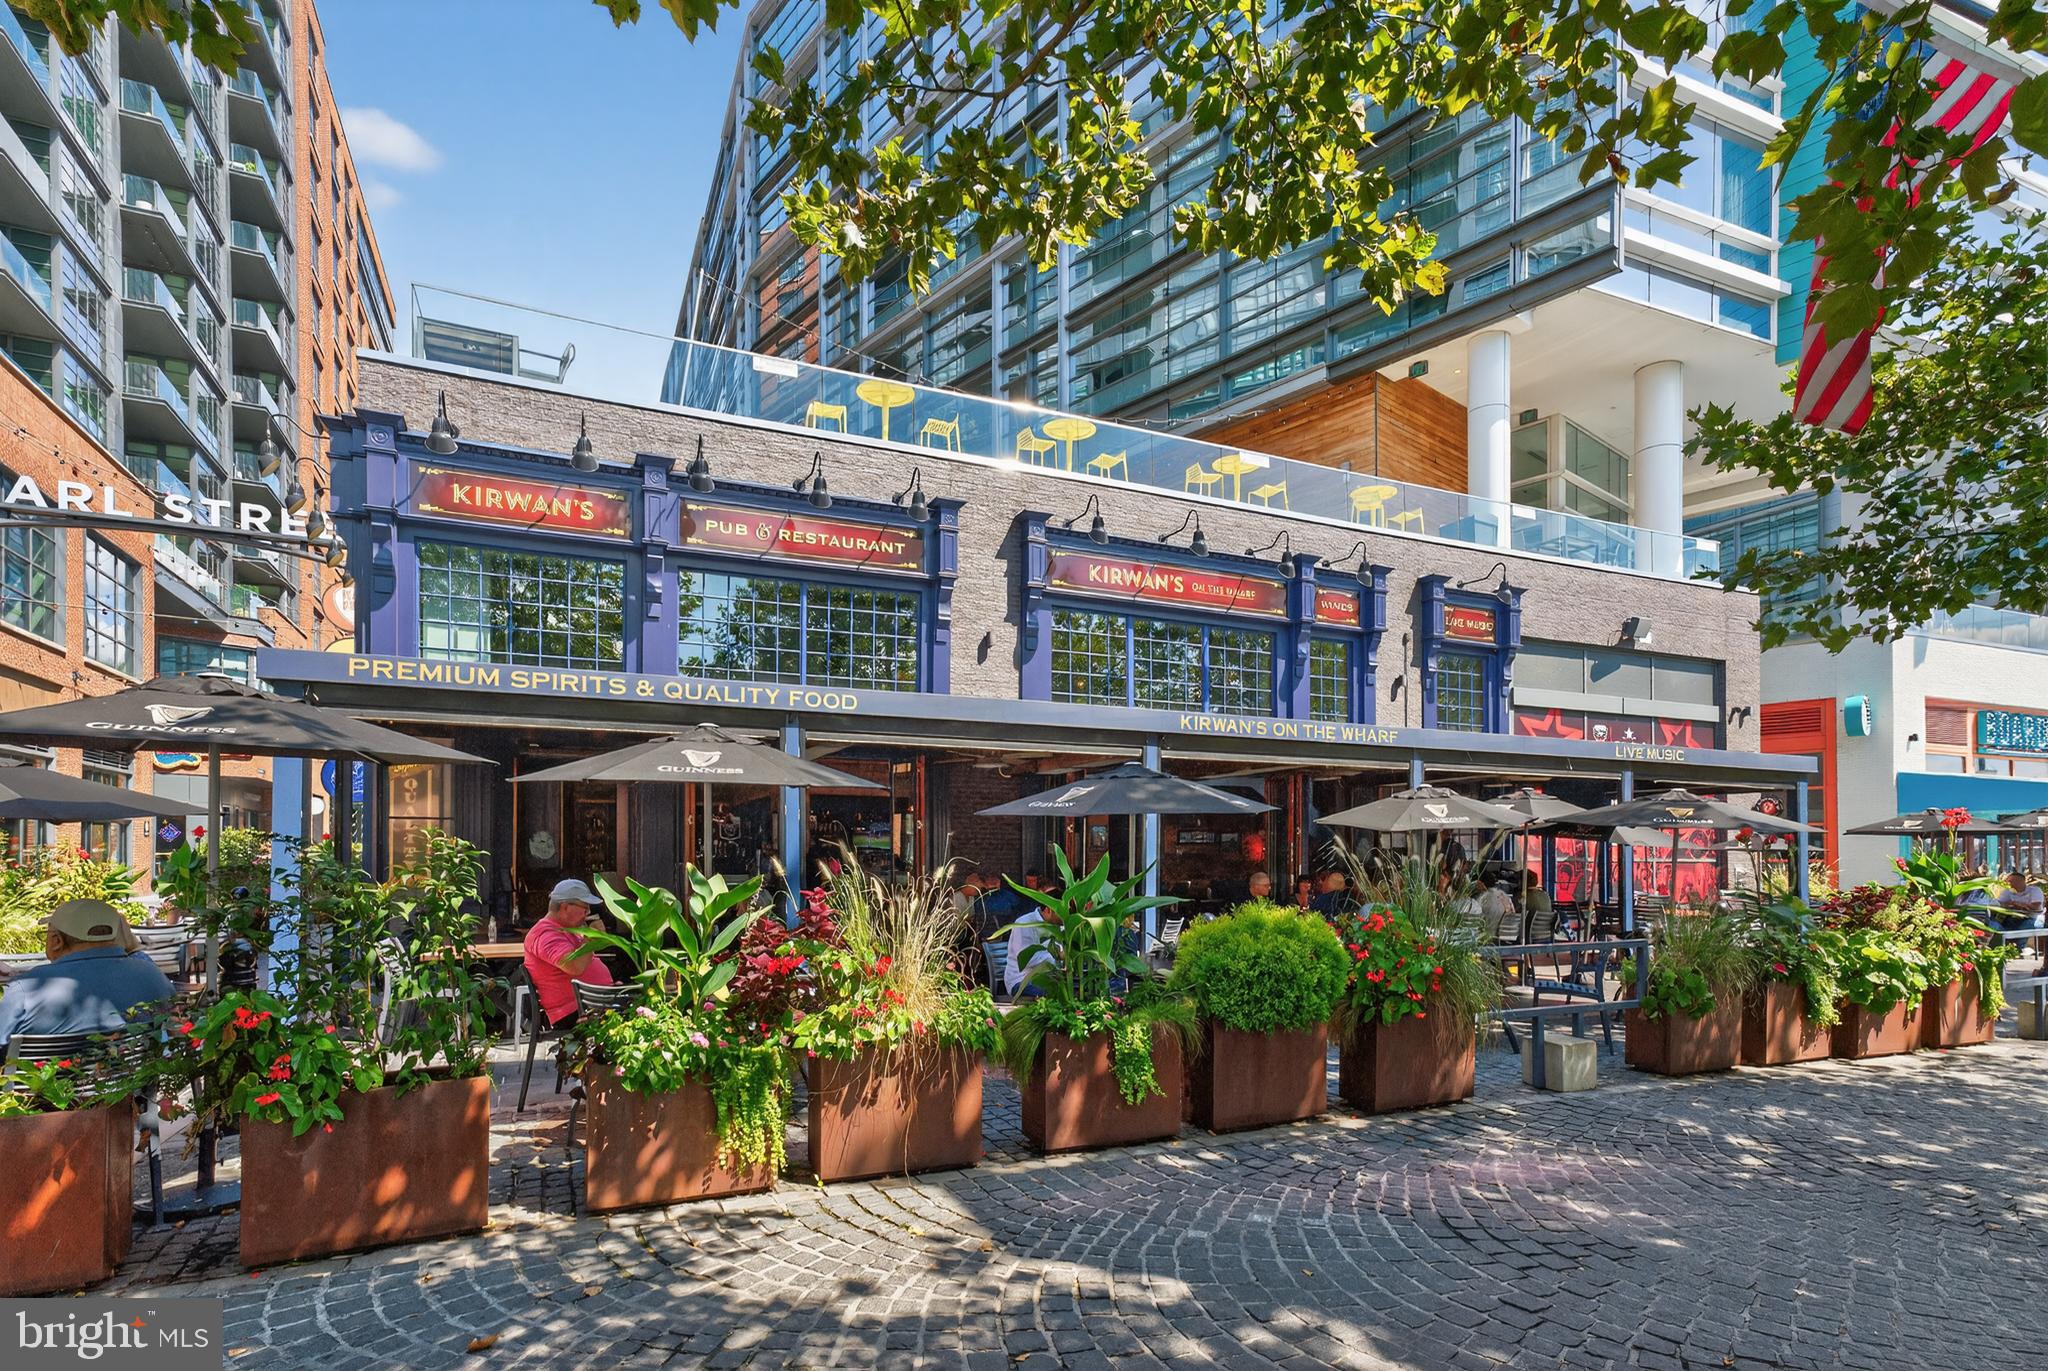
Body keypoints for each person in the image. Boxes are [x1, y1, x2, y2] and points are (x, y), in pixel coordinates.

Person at [0, 899, 174, 1051]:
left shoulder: (25, 989)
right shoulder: (151, 975)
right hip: (134, 1086)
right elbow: (176, 1025)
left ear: (56, 941)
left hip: (46, 1088)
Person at [522, 878, 613, 1030]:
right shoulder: (545, 934)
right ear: (565, 907)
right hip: (575, 1012)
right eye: (585, 908)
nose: (588, 913)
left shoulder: (566, 929)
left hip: (592, 1004)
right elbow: (575, 967)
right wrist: (591, 938)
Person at [1004, 907, 1046, 998]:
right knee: (1051, 992)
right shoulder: (1024, 923)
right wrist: (1057, 955)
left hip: (1050, 979)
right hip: (1021, 981)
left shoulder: (1061, 924)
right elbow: (1026, 959)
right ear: (1049, 910)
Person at [1477, 875, 1518, 941]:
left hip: (1489, 938)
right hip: (1509, 936)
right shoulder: (1505, 895)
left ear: (1481, 883)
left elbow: (1477, 920)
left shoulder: (1483, 898)